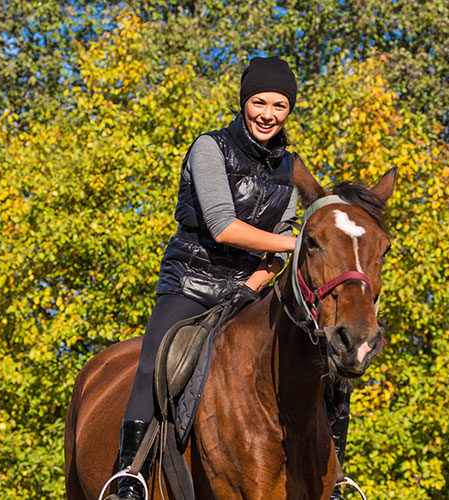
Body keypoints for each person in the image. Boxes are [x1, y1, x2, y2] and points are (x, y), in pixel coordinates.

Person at [110, 56, 353, 500]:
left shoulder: (291, 167)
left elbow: (279, 237)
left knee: (327, 361)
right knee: (155, 361)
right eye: (259, 102)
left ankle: (335, 477)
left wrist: (258, 280)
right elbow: (223, 227)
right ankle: (129, 473)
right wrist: (301, 244)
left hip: (250, 292)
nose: (267, 113)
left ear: (289, 111)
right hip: (192, 282)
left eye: (279, 105)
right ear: (244, 103)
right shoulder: (210, 148)